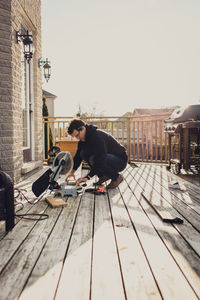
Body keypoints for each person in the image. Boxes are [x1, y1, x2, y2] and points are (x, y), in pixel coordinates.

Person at [66, 119, 128, 188]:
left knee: (94, 159)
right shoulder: (82, 141)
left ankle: (117, 177)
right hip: (106, 158)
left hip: (120, 160)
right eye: (75, 137)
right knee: (83, 154)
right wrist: (72, 172)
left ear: (83, 128)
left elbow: (100, 158)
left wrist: (88, 177)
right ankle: (103, 176)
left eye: (77, 135)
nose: (77, 138)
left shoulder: (97, 136)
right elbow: (78, 157)